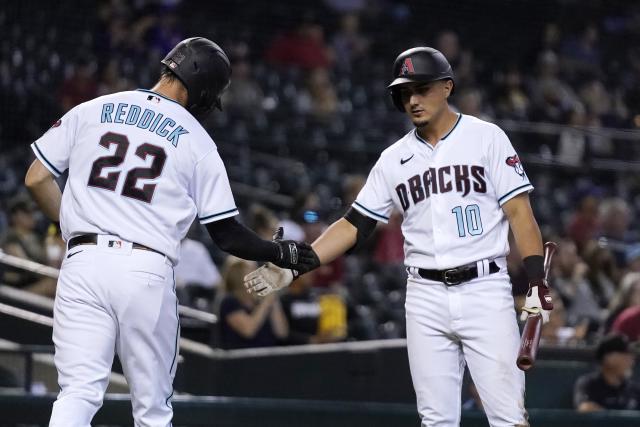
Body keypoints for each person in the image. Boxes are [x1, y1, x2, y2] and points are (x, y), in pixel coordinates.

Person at [245, 46, 553, 427]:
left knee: (508, 416)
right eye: (405, 93)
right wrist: (300, 263)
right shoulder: (394, 158)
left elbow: (520, 212)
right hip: (424, 295)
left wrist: (537, 280)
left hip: (484, 289)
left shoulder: (486, 138)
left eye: (421, 89)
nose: (413, 100)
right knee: (435, 419)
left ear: (447, 87)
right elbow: (354, 223)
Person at [24, 37, 317, 427]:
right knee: (152, 409)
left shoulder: (95, 109)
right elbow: (227, 234)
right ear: (203, 88)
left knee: (77, 391)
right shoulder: (196, 140)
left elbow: (35, 177)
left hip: (82, 262)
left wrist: (76, 227)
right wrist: (279, 253)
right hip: (144, 270)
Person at [217, 257, 288, 349]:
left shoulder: (260, 300)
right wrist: (265, 303)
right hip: (241, 357)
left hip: (269, 355)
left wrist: (273, 300)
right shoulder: (229, 301)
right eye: (252, 270)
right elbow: (248, 331)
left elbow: (282, 333)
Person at [574, 334, 640, 411]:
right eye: (625, 355)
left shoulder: (633, 389)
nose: (630, 361)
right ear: (608, 358)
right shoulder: (589, 384)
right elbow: (585, 408)